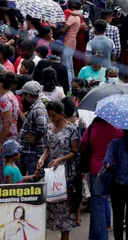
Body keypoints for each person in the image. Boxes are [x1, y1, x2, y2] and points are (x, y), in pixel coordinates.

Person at [36, 99, 81, 240]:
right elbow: (48, 148)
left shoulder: (71, 129)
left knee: (66, 207)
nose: (51, 118)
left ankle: (65, 237)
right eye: (49, 115)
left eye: (53, 115)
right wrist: (42, 158)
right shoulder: (49, 128)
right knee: (53, 204)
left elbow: (75, 152)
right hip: (52, 172)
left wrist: (61, 160)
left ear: (61, 114)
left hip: (66, 174)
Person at [16, 81, 48, 176]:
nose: (21, 98)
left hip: (34, 153)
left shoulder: (38, 109)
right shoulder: (34, 107)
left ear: (28, 96)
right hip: (30, 153)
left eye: (22, 95)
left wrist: (35, 139)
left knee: (33, 180)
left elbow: (42, 126)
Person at [0, 74, 20, 161]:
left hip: (5, 138)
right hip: (7, 136)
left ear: (0, 85)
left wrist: (0, 143)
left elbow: (7, 122)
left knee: (4, 163)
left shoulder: (5, 99)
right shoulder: (10, 95)